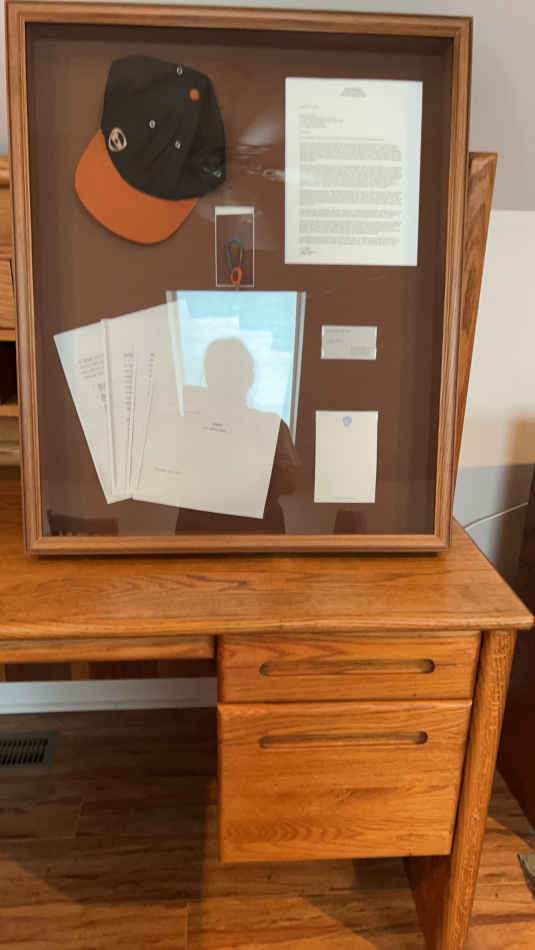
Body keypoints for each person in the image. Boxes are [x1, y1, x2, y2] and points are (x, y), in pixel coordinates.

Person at [175, 337, 300, 534]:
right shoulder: (189, 426)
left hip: (244, 533)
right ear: (250, 378)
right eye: (224, 372)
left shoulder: (271, 426)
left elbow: (289, 483)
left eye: (232, 372)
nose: (228, 380)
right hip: (212, 531)